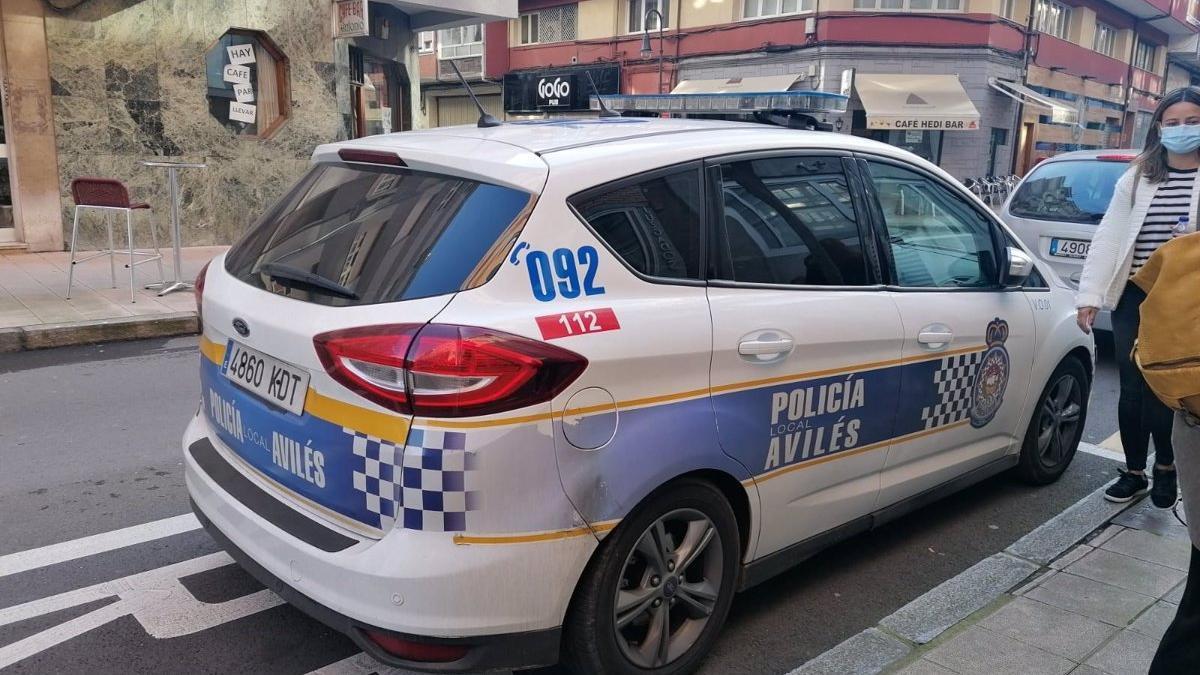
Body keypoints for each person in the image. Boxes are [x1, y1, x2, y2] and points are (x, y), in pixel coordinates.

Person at [1076, 87, 1200, 507]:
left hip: (1183, 300)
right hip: (1134, 294)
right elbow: (1109, 237)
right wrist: (1090, 295)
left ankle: (1166, 465)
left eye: (1192, 121)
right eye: (1173, 122)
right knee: (1132, 388)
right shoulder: (1138, 176)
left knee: (1165, 384)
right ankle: (1134, 471)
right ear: (1159, 127)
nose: (1182, 129)